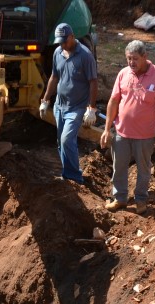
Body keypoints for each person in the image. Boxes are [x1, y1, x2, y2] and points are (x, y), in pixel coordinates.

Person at [100, 40, 155, 216]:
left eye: (135, 59)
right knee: (119, 166)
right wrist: (106, 128)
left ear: (145, 57)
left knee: (143, 168)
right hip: (121, 132)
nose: (131, 63)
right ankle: (120, 198)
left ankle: (140, 199)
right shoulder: (123, 74)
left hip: (145, 135)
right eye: (128, 58)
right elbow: (114, 101)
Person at [40, 23, 99, 184]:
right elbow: (54, 77)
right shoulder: (58, 53)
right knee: (61, 142)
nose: (62, 45)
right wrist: (45, 100)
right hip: (60, 105)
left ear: (72, 37)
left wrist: (92, 108)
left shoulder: (85, 56)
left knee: (67, 140)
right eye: (59, 42)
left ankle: (75, 176)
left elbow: (93, 82)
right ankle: (67, 174)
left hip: (77, 106)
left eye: (64, 41)